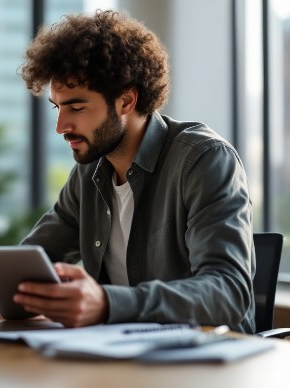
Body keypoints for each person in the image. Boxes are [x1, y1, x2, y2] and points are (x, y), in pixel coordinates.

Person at [13, 10, 255, 333]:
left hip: (207, 362)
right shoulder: (89, 173)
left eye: (77, 107)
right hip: (124, 357)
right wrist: (14, 289)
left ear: (126, 101)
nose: (60, 127)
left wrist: (109, 304)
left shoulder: (204, 161)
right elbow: (31, 261)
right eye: (57, 107)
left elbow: (228, 292)